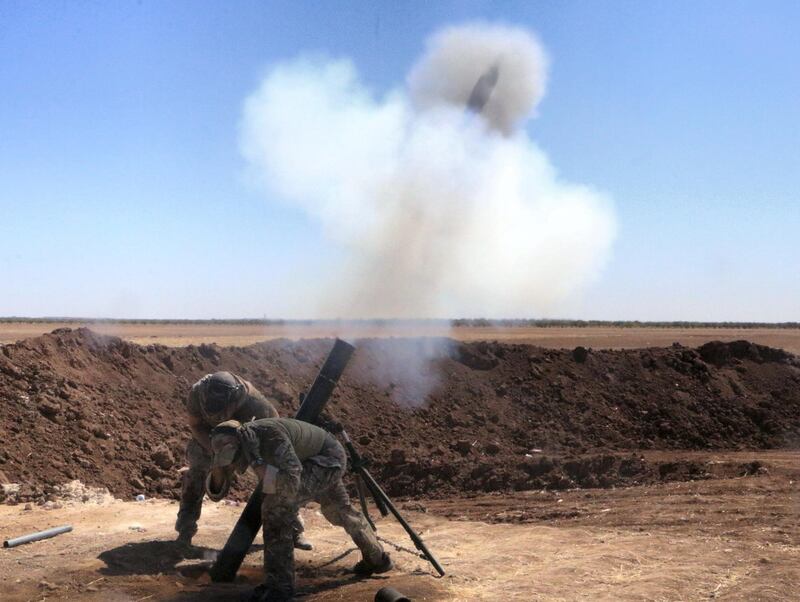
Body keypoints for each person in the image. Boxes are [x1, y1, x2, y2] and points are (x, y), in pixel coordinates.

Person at [210, 417, 392, 602]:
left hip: (326, 459)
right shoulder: (248, 441)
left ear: (240, 443)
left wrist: (258, 463)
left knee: (275, 510)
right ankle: (377, 558)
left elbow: (291, 477)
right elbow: (271, 479)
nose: (233, 464)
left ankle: (280, 587)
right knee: (339, 509)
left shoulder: (269, 436)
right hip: (316, 460)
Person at [175, 371, 311, 550]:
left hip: (249, 438)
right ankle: (185, 530)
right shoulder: (197, 393)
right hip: (211, 437)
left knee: (274, 477)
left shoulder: (256, 405)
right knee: (196, 471)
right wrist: (215, 453)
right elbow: (196, 426)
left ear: (233, 399)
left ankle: (293, 529)